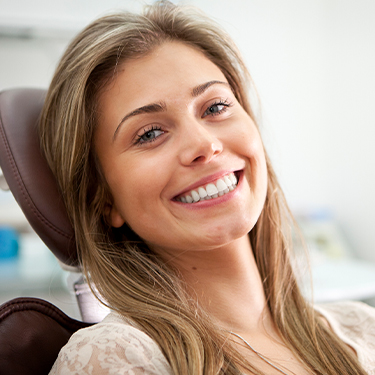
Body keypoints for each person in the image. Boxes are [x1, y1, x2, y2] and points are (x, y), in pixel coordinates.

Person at [39, 1, 375, 374]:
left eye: (215, 107)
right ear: (102, 198)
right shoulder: (114, 358)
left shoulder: (363, 330)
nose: (205, 144)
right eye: (150, 133)